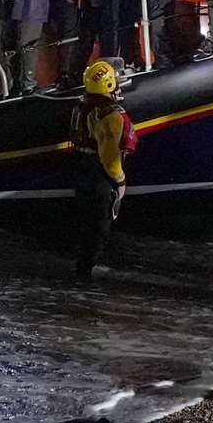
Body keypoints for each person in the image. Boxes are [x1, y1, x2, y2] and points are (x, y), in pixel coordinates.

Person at [70, 58, 136, 280]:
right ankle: (84, 274)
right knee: (99, 226)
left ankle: (83, 267)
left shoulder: (82, 106)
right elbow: (109, 156)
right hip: (98, 175)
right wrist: (120, 181)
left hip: (81, 169)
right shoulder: (111, 115)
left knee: (86, 223)